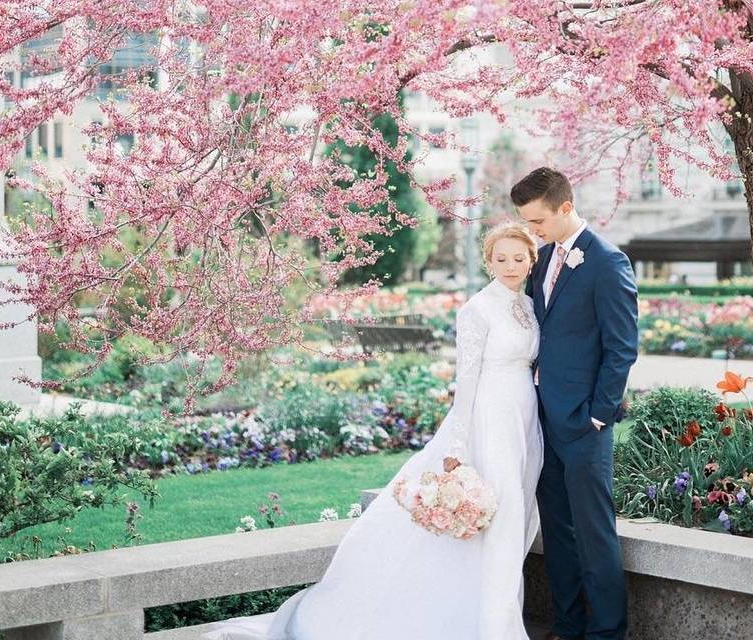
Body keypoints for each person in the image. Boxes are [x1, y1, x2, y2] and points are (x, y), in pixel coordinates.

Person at [203, 222, 544, 639]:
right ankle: (495, 628)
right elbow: (466, 380)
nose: (511, 265)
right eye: (501, 258)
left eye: (519, 257)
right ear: (489, 261)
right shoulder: (478, 308)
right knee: (498, 520)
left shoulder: (528, 306)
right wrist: (457, 445)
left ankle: (498, 616)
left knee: (515, 518)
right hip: (489, 419)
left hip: (523, 417)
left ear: (532, 259)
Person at [512, 167, 639, 640]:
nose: (532, 231)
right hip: (542, 418)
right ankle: (567, 628)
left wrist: (599, 414)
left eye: (537, 222)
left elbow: (622, 346)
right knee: (559, 535)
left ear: (565, 208)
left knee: (594, 534)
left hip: (586, 424)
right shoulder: (542, 261)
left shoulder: (608, 262)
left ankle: (607, 633)